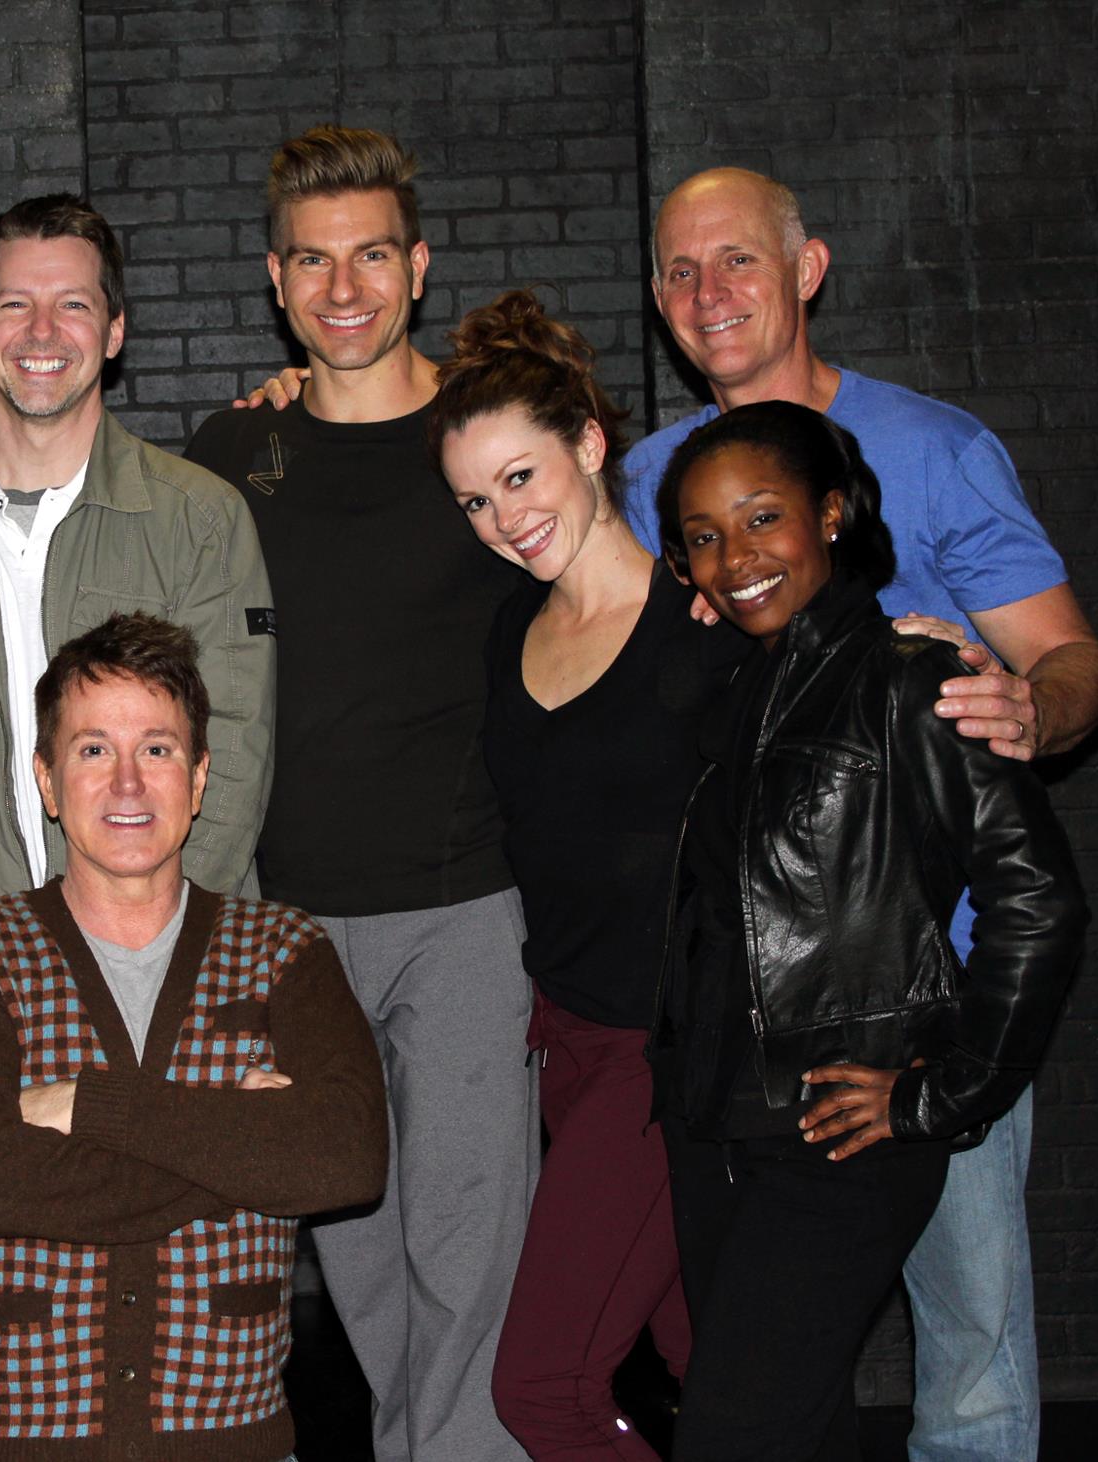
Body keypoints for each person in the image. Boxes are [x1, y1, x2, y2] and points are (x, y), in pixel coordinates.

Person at [625, 166, 1098, 1462]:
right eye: (678, 270)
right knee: (787, 1389)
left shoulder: (936, 451)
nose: (707, 293)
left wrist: (1021, 710)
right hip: (744, 1054)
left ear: (808, 268)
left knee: (970, 1361)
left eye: (735, 260)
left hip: (922, 999)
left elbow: (1068, 667)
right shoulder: (649, 476)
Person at [183, 126, 533, 1461]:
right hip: (292, 922)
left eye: (372, 255)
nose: (345, 289)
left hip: (467, 906)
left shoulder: (491, 441)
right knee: (364, 1263)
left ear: (418, 264)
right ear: (278, 281)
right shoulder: (231, 452)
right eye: (315, 263)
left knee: (468, 1245)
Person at [0, 611, 387, 1460]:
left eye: (157, 749)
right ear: (47, 782)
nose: (128, 783)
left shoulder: (284, 950)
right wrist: (241, 1146)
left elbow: (344, 1160)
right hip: (13, 1443)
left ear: (198, 781)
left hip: (229, 1440)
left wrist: (90, 1105)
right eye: (93, 750)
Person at [430, 291, 735, 1459]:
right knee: (702, 1364)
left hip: (667, 1061)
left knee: (542, 1386)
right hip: (565, 1043)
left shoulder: (701, 619)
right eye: (472, 498)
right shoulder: (510, 626)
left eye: (518, 477)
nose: (501, 517)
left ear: (588, 446)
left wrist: (899, 652)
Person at [0, 193, 276, 935]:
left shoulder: (199, 522)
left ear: (113, 331)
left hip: (177, 962)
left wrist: (139, 945)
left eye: (72, 304)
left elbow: (231, 758)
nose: (42, 332)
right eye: (15, 304)